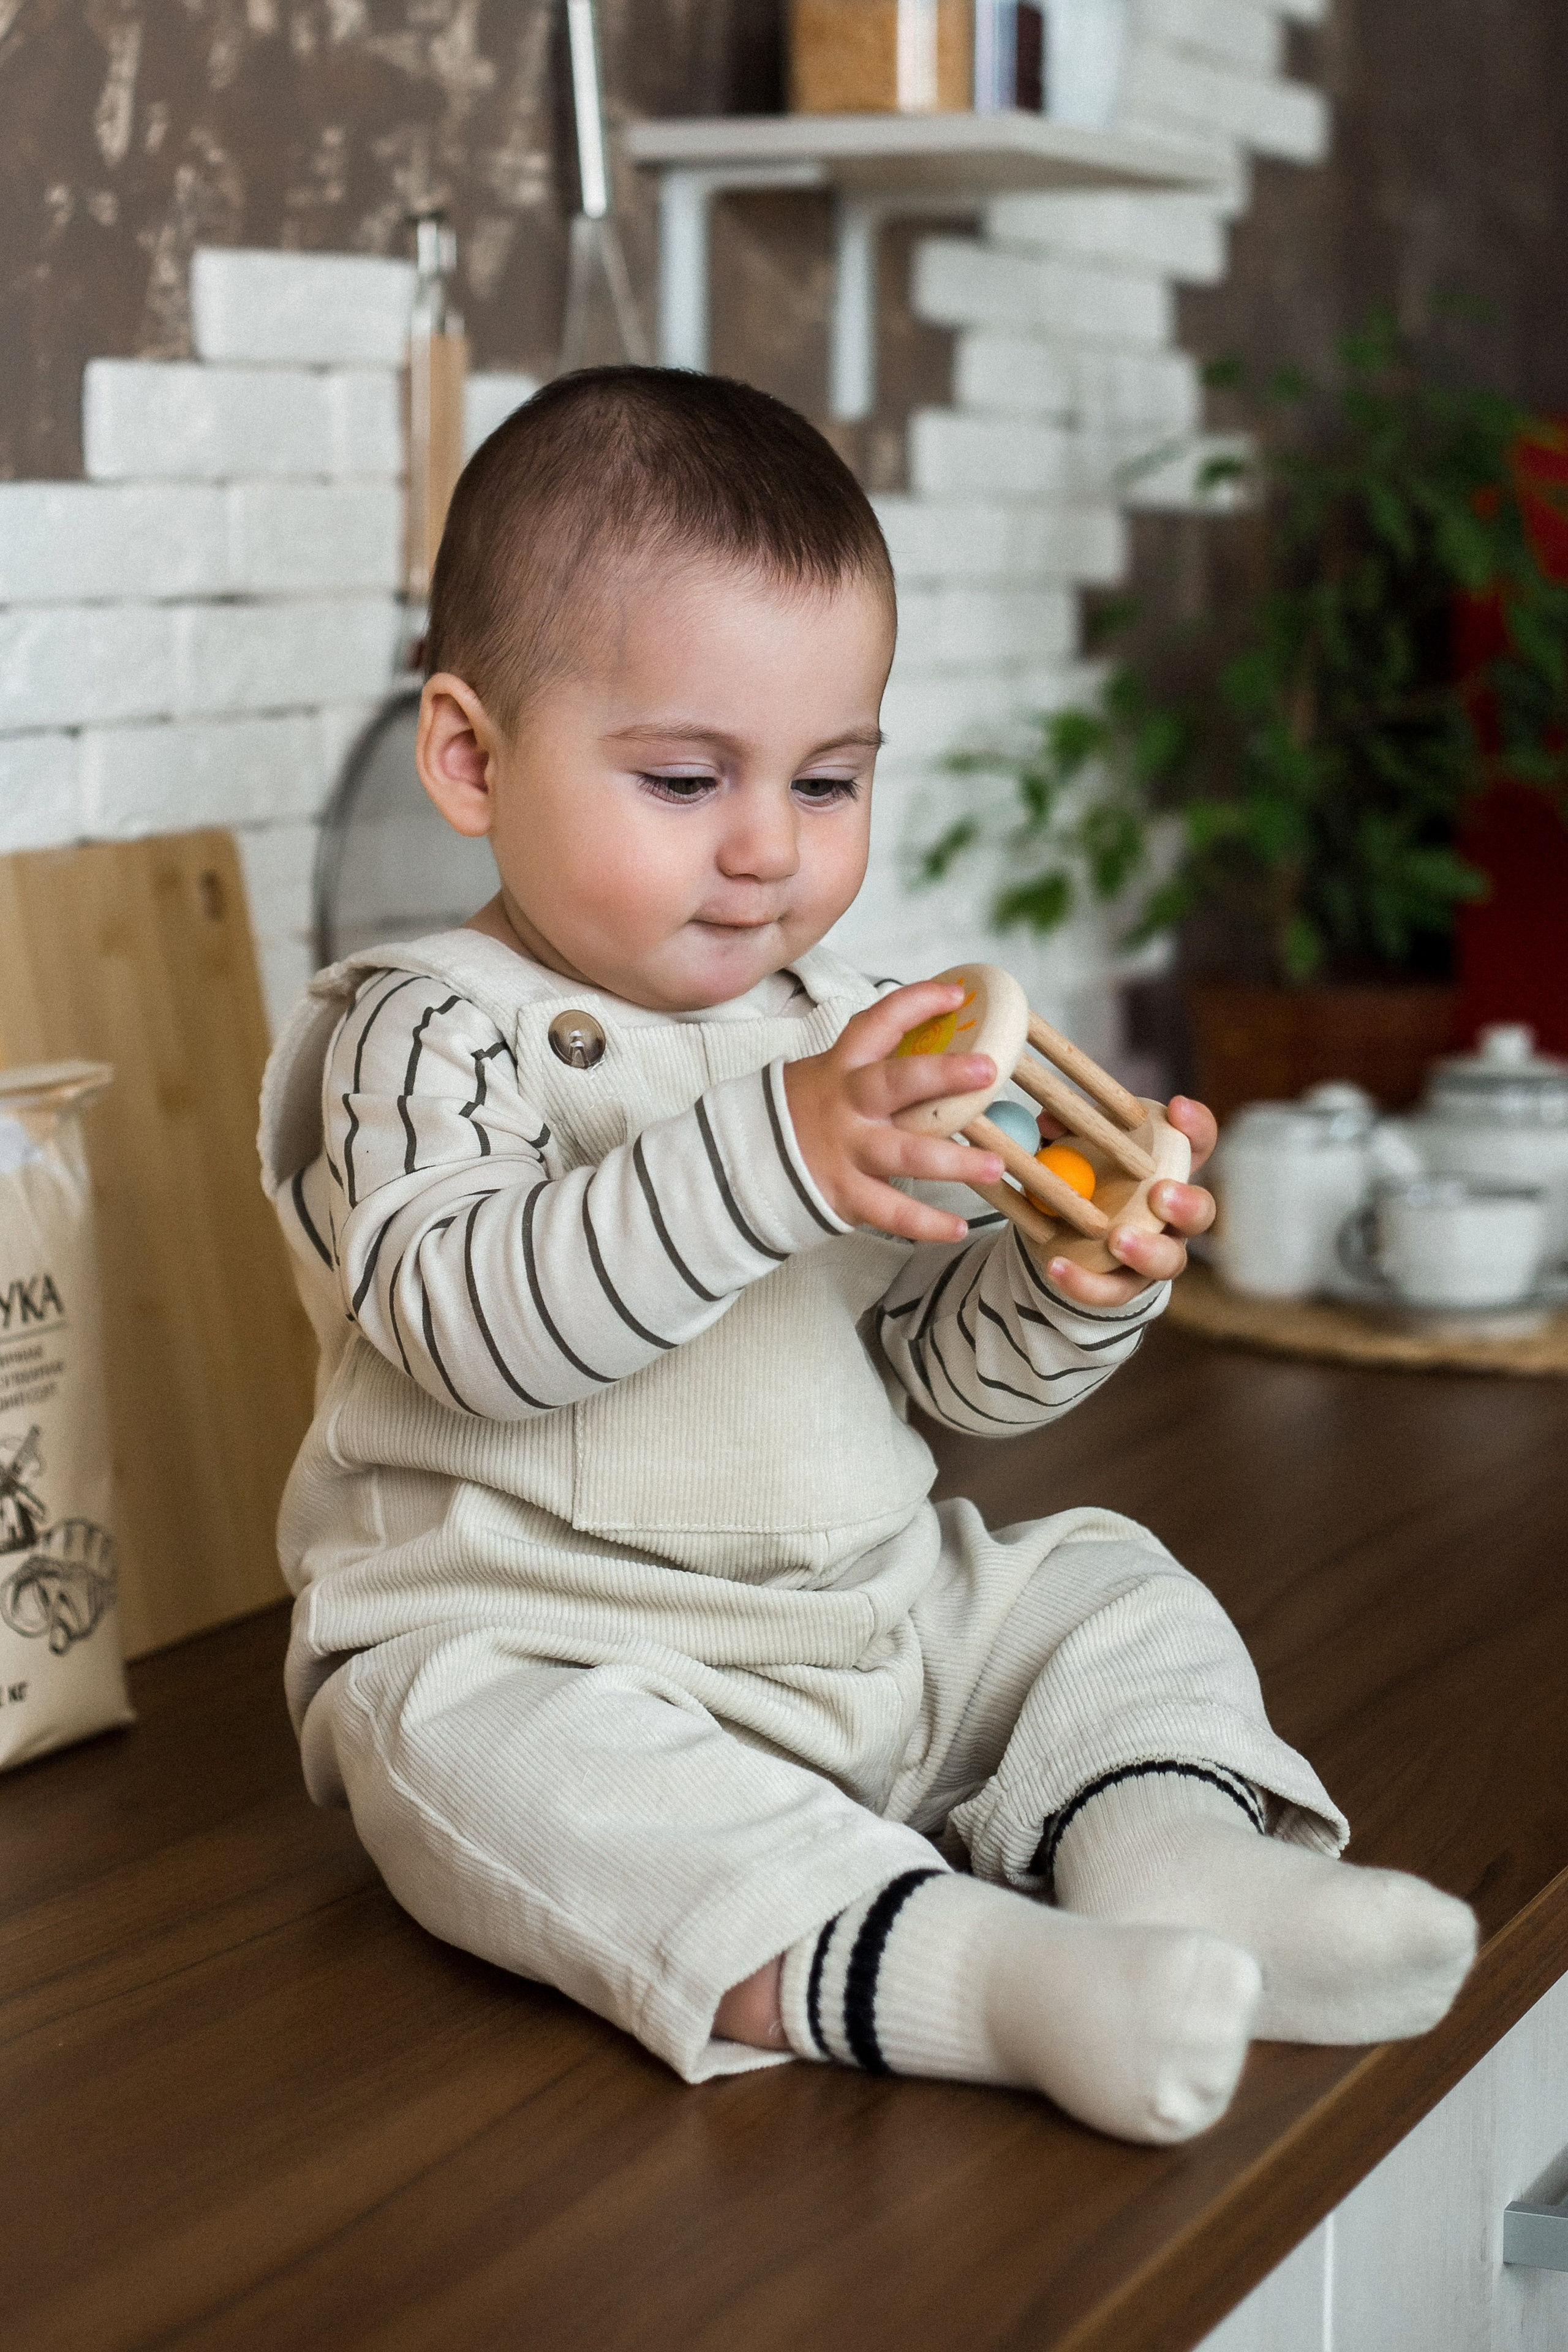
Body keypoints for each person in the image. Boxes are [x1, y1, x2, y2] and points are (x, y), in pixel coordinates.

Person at [260, 367, 1476, 2145]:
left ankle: (1181, 1864)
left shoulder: (840, 1025)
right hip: (560, 1651)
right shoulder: (429, 1034)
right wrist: (782, 1148)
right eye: (686, 778)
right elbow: (477, 1332)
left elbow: (927, 1370)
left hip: (872, 1615)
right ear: (471, 754)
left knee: (1101, 1589)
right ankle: (985, 1978)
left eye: (829, 779)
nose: (769, 849)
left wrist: (1072, 1284)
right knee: (471, 1759)